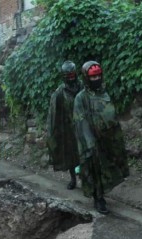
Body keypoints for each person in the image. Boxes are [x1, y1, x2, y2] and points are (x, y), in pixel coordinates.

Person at [73, 61, 129, 214]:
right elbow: (80, 120)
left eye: (98, 76)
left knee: (108, 167)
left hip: (108, 139)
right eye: (93, 77)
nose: (96, 79)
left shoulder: (104, 93)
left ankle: (103, 192)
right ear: (86, 78)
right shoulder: (81, 97)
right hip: (92, 142)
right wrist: (89, 142)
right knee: (95, 169)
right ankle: (98, 198)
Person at [47, 60, 82, 190]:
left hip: (84, 127)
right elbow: (54, 113)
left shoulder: (83, 87)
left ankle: (87, 178)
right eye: (69, 75)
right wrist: (54, 132)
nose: (71, 77)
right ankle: (73, 179)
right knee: (71, 155)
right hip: (69, 130)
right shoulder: (60, 92)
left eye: (73, 74)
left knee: (86, 153)